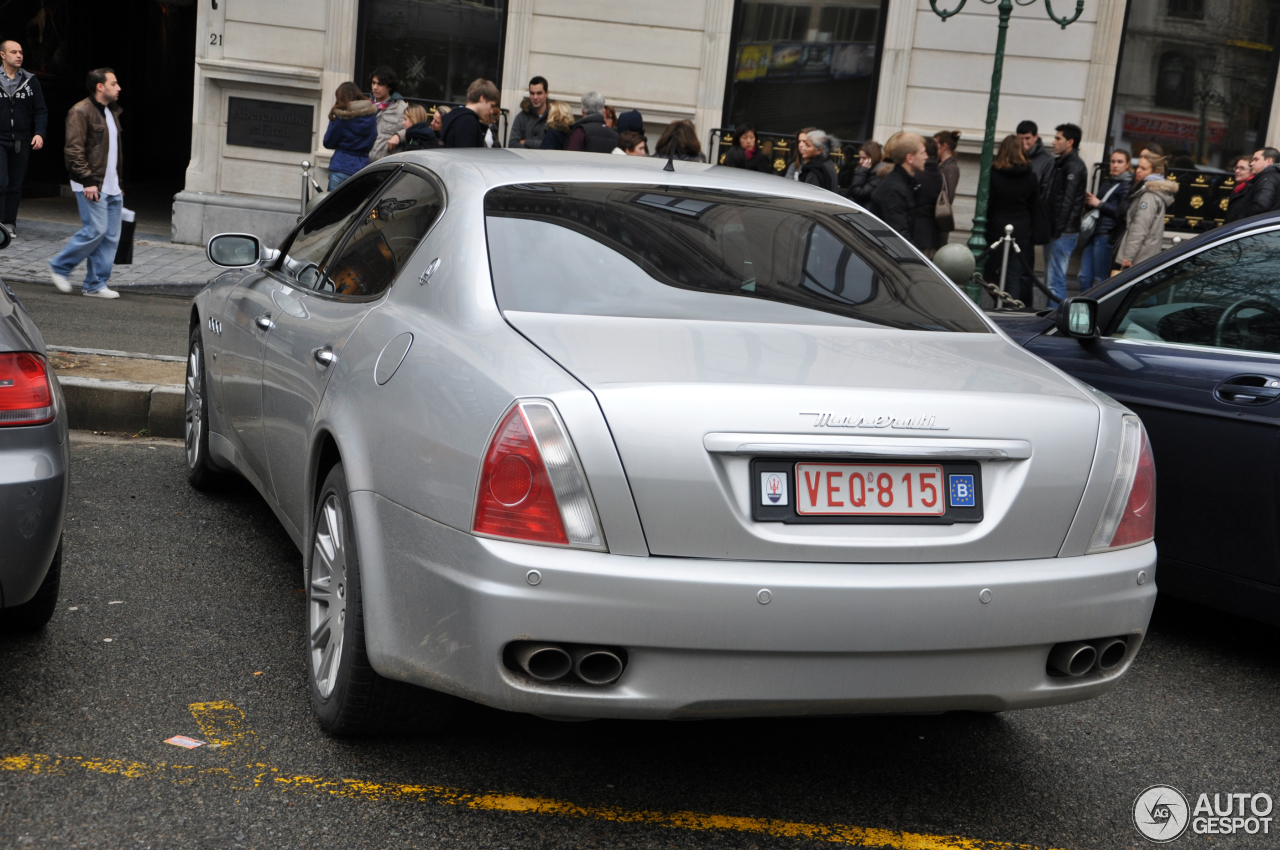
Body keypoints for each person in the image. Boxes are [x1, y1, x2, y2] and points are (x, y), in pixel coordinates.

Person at [48, 68, 124, 299]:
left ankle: (95, 284)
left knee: (110, 237)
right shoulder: (80, 111)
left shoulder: (112, 112)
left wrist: (118, 183)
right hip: (92, 184)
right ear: (100, 87)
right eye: (114, 83)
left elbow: (113, 153)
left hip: (111, 186)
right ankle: (60, 266)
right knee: (95, 230)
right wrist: (87, 180)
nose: (118, 87)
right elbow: (73, 150)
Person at [984, 134, 1043, 307]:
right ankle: (1009, 310)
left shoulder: (993, 175)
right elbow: (1034, 205)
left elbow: (988, 204)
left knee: (989, 273)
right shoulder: (1030, 176)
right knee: (1014, 276)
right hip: (1022, 230)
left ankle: (1001, 305)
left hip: (996, 229)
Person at [0, 40, 46, 235]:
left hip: (22, 140)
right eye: (14, 52)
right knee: (1, 182)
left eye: (21, 52)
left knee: (15, 185)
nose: (19, 55)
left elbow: (41, 111)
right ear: (3, 55)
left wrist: (39, 133)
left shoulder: (30, 80)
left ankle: (9, 222)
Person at [870, 132, 939, 253]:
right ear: (910, 158)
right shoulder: (895, 189)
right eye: (922, 153)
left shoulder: (902, 182)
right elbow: (899, 237)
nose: (926, 157)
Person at [1044, 122, 1087, 305]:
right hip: (1058, 230)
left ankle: (1055, 320)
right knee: (1052, 280)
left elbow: (1067, 201)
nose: (1053, 142)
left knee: (1055, 281)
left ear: (1070, 142)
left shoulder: (1074, 166)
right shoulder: (1062, 163)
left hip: (1063, 232)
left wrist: (1057, 229)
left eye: (1058, 138)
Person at [1080, 149, 1132, 291]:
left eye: (1120, 162)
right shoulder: (1109, 182)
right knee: (1084, 277)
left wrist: (1099, 204)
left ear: (1127, 165)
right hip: (1095, 233)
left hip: (1106, 235)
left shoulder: (1126, 185)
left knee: (1099, 280)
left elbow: (1122, 212)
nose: (1115, 165)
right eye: (1113, 161)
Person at [1116, 153, 1177, 270]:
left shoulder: (1149, 195)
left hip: (1139, 258)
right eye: (1138, 167)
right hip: (1145, 256)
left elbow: (1140, 227)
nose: (1138, 171)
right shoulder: (1153, 192)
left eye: (1143, 168)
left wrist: (1128, 256)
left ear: (1155, 172)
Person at [322, 82, 377, 190]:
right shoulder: (371, 117)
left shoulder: (341, 117)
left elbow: (328, 142)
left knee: (335, 205)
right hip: (363, 168)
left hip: (341, 166)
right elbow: (372, 138)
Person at [441, 78, 498, 148]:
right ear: (482, 98)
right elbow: (467, 156)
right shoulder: (468, 121)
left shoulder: (457, 117)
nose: (492, 111)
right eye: (491, 106)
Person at [367, 66, 406, 162]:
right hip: (363, 164)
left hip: (386, 165)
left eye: (380, 84)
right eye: (373, 83)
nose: (375, 87)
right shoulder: (365, 104)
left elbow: (414, 130)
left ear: (390, 86)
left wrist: (399, 136)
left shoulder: (401, 108)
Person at [508, 76, 548, 148]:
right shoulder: (521, 117)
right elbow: (512, 144)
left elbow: (554, 146)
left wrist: (527, 142)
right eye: (532, 93)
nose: (535, 97)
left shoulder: (554, 117)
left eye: (539, 93)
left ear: (547, 93)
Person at [934, 130, 960, 237]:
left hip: (939, 217)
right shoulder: (939, 163)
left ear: (944, 146)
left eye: (936, 144)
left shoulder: (950, 168)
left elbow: (948, 196)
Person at [1017, 120, 1054, 195]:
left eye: (1027, 138)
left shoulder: (1048, 159)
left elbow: (1046, 188)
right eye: (1021, 139)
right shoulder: (1012, 155)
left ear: (1036, 137)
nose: (1024, 142)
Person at [1241, 147, 1280, 218]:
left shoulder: (1268, 179)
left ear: (1269, 161)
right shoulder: (1271, 177)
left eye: (1256, 159)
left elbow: (1260, 206)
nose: (1252, 163)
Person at [1225, 155, 1255, 223]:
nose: (1237, 171)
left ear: (1252, 171)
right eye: (1236, 168)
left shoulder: (1252, 189)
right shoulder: (1237, 188)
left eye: (1242, 168)